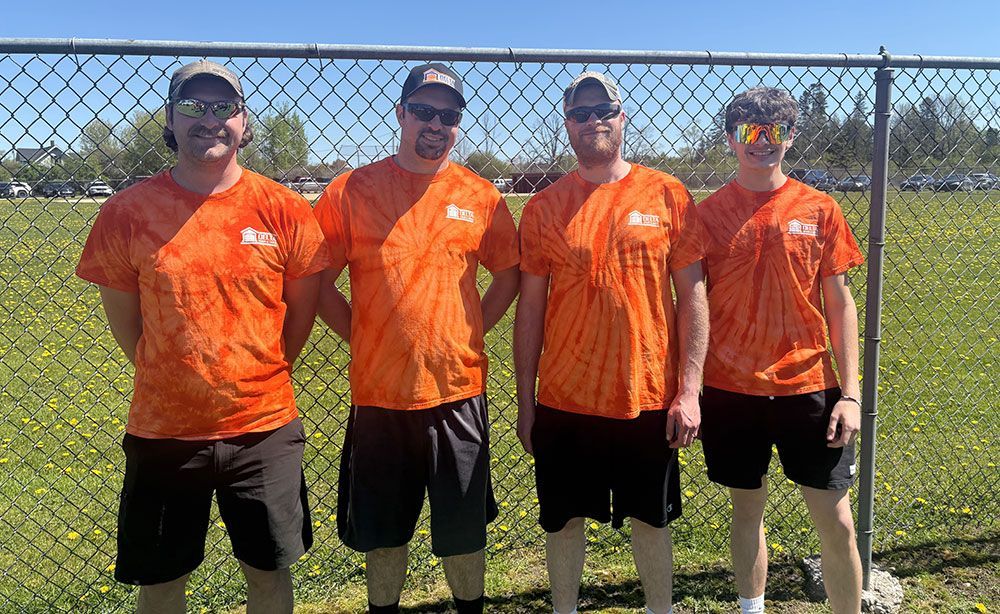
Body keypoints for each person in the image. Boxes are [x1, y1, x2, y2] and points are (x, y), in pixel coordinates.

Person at [75, 60, 330, 613]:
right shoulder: (126, 213)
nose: (208, 119)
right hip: (164, 430)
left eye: (223, 107)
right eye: (193, 106)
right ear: (170, 118)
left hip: (264, 428)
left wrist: (257, 374)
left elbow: (299, 315)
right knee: (161, 581)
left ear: (244, 121)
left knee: (269, 572)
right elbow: (129, 325)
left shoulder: (284, 209)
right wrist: (175, 373)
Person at [312, 63, 520, 614]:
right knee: (384, 535)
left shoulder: (480, 195)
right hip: (381, 395)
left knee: (463, 531)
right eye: (424, 111)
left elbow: (508, 274)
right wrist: (361, 331)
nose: (436, 124)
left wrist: (472, 329)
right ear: (401, 112)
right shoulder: (351, 190)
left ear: (458, 125)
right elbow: (317, 279)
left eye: (448, 115)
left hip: (457, 392)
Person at [514, 71, 709, 614]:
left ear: (623, 118)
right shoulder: (543, 208)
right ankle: (564, 609)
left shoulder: (667, 194)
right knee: (563, 518)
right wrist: (526, 403)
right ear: (568, 125)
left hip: (646, 393)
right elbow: (530, 310)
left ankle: (660, 608)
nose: (593, 120)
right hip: (564, 397)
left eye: (604, 109)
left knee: (652, 517)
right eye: (580, 113)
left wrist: (688, 389)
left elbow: (692, 295)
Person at [697, 87, 865, 614]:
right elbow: (691, 309)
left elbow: (840, 305)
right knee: (746, 511)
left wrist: (852, 393)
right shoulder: (707, 216)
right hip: (730, 389)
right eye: (750, 131)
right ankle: (753, 608)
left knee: (836, 519)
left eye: (774, 132)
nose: (762, 143)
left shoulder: (819, 208)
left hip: (808, 387)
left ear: (791, 138)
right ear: (731, 139)